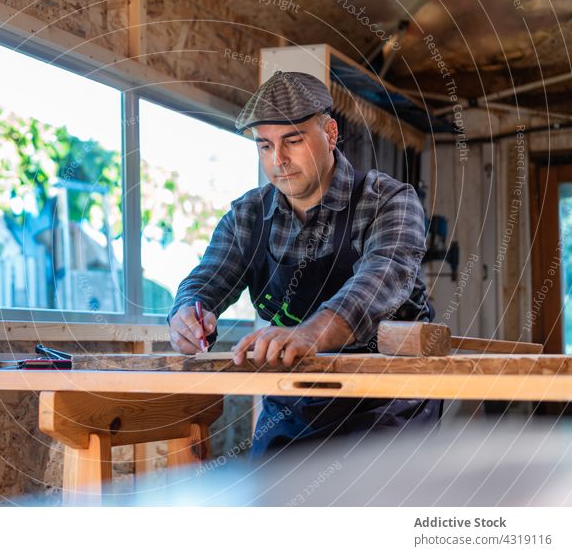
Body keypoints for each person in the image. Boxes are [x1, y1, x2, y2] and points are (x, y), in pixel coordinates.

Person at [167, 70, 442, 458]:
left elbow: (378, 283)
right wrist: (186, 314)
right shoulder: (248, 216)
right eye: (264, 146)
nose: (278, 159)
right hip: (296, 401)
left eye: (292, 141)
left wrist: (310, 334)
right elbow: (206, 281)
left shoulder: (389, 201)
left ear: (330, 134)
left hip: (389, 400)